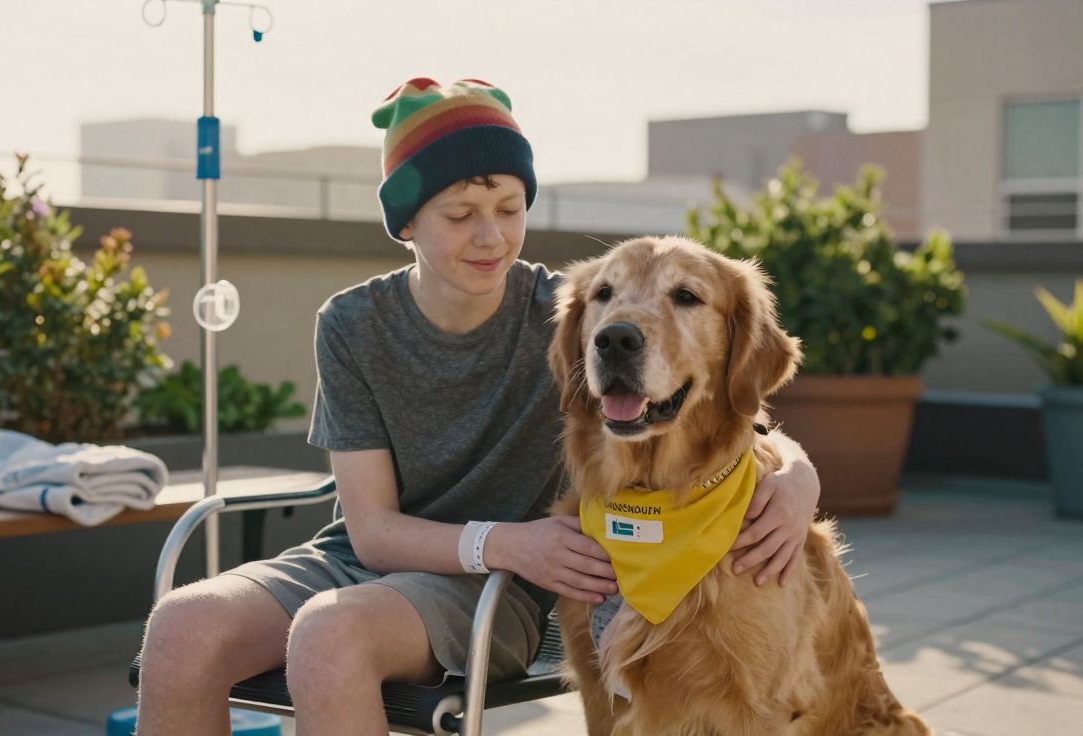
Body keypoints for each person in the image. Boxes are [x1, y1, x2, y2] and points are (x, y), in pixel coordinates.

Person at [135, 77, 821, 736]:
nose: (490, 237)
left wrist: (797, 477)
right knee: (180, 628)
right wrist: (504, 538)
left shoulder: (569, 316)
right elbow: (370, 531)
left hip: (500, 587)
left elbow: (728, 408)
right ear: (406, 222)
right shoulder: (350, 323)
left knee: (328, 634)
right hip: (369, 562)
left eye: (510, 209)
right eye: (460, 214)